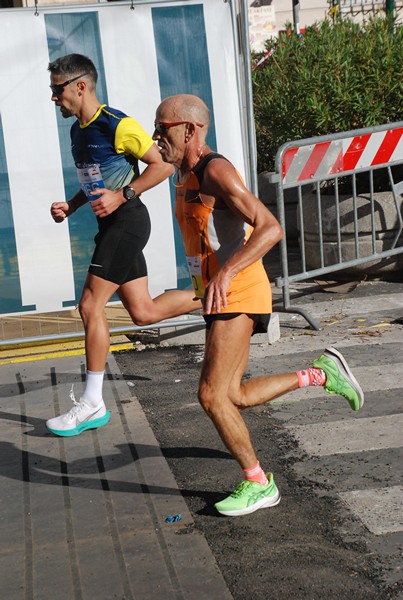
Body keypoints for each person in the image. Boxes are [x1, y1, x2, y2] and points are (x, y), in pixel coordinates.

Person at [152, 94, 364, 517]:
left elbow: (270, 228)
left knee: (211, 396)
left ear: (190, 130)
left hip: (239, 290)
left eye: (163, 128)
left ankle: (258, 482)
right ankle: (321, 373)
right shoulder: (184, 171)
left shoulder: (216, 170)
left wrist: (227, 273)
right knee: (234, 395)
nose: (157, 137)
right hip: (220, 293)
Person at [46, 55, 201, 437]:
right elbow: (97, 182)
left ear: (80, 86)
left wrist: (125, 193)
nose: (53, 97)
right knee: (143, 313)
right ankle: (218, 295)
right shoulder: (77, 132)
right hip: (113, 226)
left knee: (89, 306)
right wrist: (73, 204)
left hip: (128, 223)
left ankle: (92, 402)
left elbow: (163, 165)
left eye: (57, 88)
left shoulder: (117, 124)